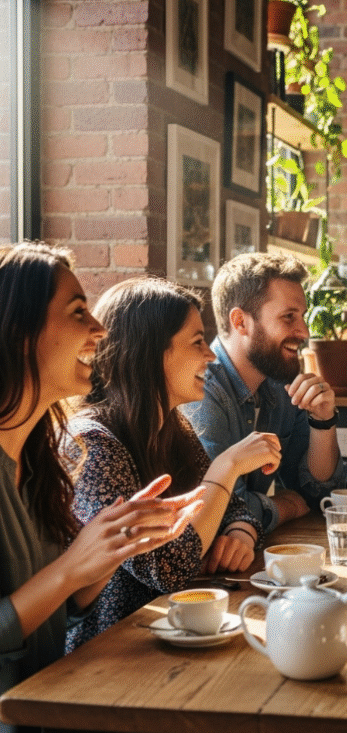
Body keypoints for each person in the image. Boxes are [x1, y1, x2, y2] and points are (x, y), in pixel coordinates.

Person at [0, 243, 202, 728]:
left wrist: (113, 546)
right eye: (77, 313)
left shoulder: (39, 458)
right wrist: (71, 568)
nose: (99, 330)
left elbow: (63, 609)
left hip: (57, 703)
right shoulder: (89, 438)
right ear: (21, 333)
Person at [65, 277, 282, 650]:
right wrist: (226, 467)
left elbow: (233, 509)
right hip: (107, 658)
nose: (211, 356)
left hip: (177, 636)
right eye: (198, 342)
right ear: (151, 353)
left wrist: (240, 534)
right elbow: (170, 568)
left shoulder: (173, 427)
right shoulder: (93, 446)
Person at [182, 253, 344, 534]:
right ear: (241, 322)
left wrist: (323, 421)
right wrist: (285, 506)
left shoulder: (280, 384)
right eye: (288, 317)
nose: (303, 331)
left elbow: (319, 494)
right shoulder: (200, 389)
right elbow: (219, 510)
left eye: (302, 316)